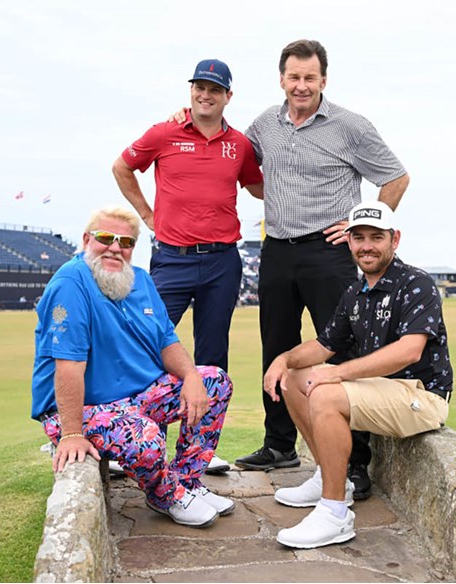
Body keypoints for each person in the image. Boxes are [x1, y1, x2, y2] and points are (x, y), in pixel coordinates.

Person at [233, 40, 410, 501]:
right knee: (277, 346)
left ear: (323, 81)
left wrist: (357, 224)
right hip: (277, 248)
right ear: (281, 79)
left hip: (328, 254)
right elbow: (240, 165)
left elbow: (395, 176)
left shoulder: (349, 126)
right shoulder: (264, 125)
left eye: (310, 78)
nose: (301, 86)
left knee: (339, 348)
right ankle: (279, 446)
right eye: (294, 77)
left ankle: (353, 464)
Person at [263, 201, 453, 549]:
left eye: (376, 237)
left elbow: (409, 350)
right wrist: (284, 359)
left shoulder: (416, 283)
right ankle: (329, 477)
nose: (367, 245)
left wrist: (337, 376)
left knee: (324, 391)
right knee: (293, 378)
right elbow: (324, 345)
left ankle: (335, 513)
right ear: (348, 241)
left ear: (394, 240)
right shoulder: (355, 291)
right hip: (380, 391)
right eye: (359, 237)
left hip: (420, 395)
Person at [30, 206, 235, 528]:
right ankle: (165, 495)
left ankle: (187, 483)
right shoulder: (71, 283)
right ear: (86, 240)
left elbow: (166, 340)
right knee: (143, 433)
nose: (115, 247)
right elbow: (68, 365)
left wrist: (192, 375)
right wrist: (70, 434)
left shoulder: (139, 279)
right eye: (106, 238)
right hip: (83, 407)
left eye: (125, 242)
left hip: (137, 396)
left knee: (215, 381)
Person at [113, 58, 263, 475]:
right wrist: (146, 214)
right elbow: (122, 167)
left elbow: (257, 186)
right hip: (172, 260)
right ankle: (134, 440)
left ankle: (199, 450)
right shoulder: (165, 132)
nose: (205, 95)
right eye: (199, 87)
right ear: (191, 91)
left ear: (227, 96)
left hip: (221, 261)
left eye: (214, 89)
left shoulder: (240, 145)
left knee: (213, 354)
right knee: (145, 344)